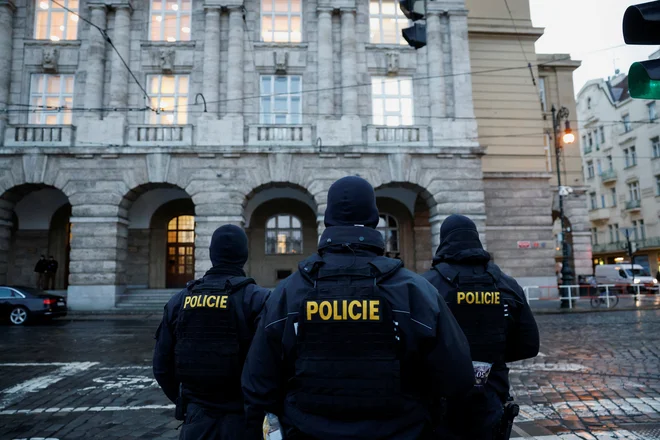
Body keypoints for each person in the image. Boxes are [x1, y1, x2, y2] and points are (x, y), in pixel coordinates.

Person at [242, 176, 474, 440]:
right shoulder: (416, 291)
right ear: (374, 219)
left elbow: (258, 384)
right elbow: (458, 377)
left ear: (328, 220)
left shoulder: (287, 292)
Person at [422, 214, 540, 440]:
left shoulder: (426, 285)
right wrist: (491, 355)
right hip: (491, 395)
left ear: (444, 241)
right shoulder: (507, 285)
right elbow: (528, 345)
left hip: (441, 399)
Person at [153, 225, 270, 440]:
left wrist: (190, 402)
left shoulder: (180, 300)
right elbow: (273, 365)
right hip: (244, 419)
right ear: (244, 255)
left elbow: (161, 368)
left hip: (197, 418)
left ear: (211, 255)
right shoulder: (259, 299)